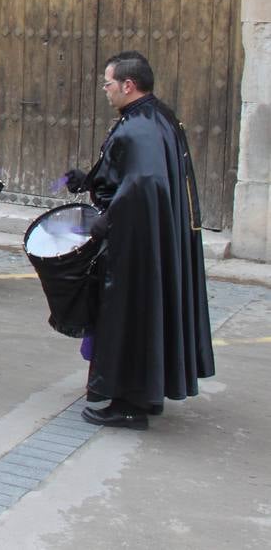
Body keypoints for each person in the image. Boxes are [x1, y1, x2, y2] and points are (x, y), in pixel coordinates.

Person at [62, 52, 214, 430]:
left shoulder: (139, 126)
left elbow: (141, 185)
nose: (106, 90)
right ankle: (140, 395)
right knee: (143, 314)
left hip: (136, 244)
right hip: (149, 238)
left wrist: (105, 222)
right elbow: (133, 174)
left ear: (128, 85)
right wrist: (91, 179)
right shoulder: (156, 116)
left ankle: (130, 403)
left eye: (108, 83)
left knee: (130, 316)